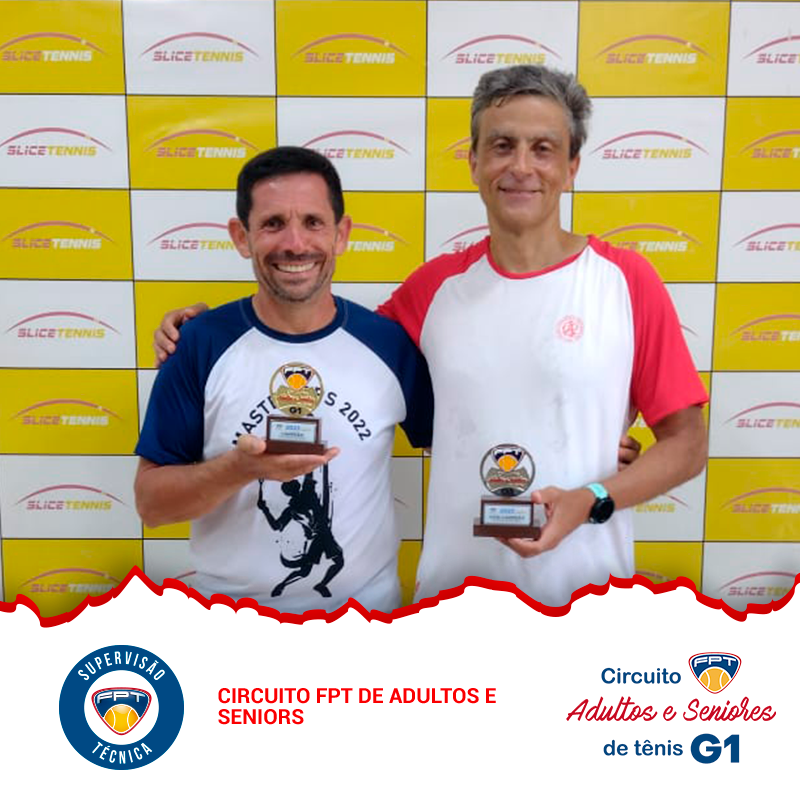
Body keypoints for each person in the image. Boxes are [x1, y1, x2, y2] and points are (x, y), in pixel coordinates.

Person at [156, 66, 702, 608]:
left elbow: (687, 444)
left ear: (571, 166)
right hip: (453, 600)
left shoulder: (625, 281)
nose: (520, 166)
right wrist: (201, 332)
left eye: (543, 149)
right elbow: (325, 339)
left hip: (587, 596)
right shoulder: (433, 289)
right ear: (474, 161)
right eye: (502, 146)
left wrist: (595, 495)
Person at [135, 146, 434, 614]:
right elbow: (152, 506)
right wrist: (239, 469)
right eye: (273, 223)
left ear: (341, 234)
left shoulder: (389, 345)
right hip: (231, 626)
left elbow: (462, 452)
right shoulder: (197, 345)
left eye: (313, 222)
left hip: (363, 624)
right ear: (241, 237)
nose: (295, 243)